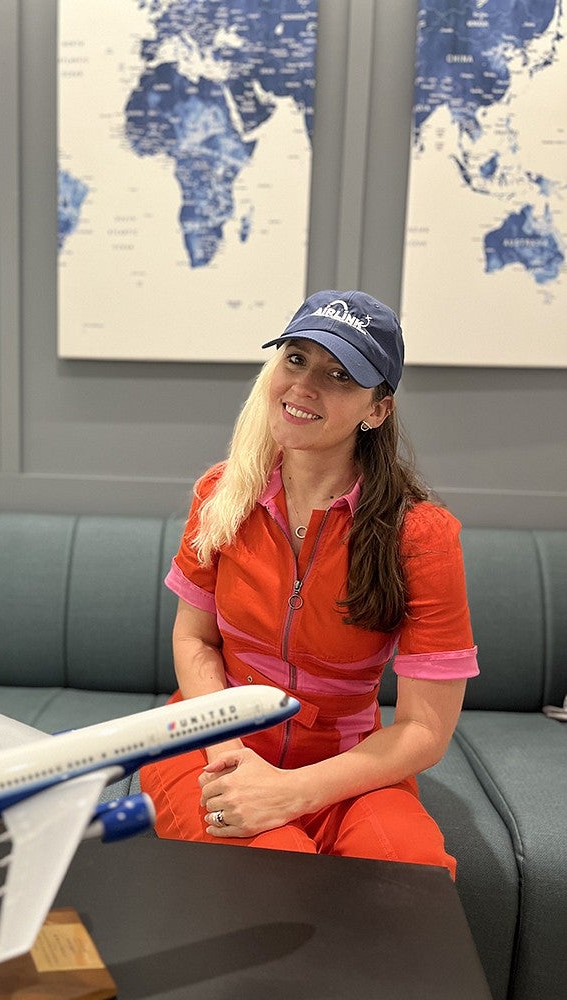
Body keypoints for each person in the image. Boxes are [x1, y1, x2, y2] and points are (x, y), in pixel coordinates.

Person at [139, 289, 479, 878]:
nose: (304, 385)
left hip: (348, 762)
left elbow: (424, 729)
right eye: (296, 359)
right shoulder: (221, 496)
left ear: (377, 410)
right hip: (211, 740)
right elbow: (194, 642)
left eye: (340, 375)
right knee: (276, 877)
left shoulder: (421, 535)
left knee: (412, 880)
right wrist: (230, 757)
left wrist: (294, 793)